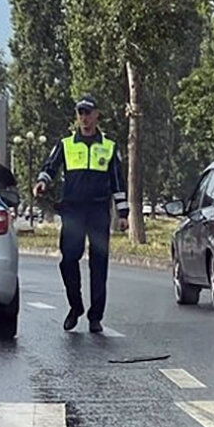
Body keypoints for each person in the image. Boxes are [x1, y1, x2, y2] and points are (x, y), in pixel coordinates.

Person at [34, 94, 128, 334]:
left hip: (98, 212)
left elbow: (118, 181)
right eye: (80, 113)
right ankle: (75, 307)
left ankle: (95, 317)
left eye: (88, 113)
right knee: (68, 260)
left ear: (97, 115)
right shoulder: (66, 144)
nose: (84, 118)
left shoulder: (108, 146)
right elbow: (50, 167)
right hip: (73, 212)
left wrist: (123, 212)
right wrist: (42, 182)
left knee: (99, 264)